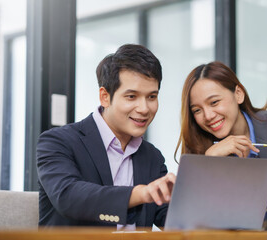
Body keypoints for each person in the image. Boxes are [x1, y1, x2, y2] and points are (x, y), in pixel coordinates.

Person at [37, 44, 176, 229]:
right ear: (105, 97)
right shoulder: (58, 142)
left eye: (151, 97)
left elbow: (172, 219)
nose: (144, 109)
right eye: (132, 96)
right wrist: (141, 193)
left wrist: (208, 161)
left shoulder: (152, 157)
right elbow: (68, 196)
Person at [175, 61, 267, 207]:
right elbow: (190, 210)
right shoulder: (197, 149)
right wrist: (209, 161)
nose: (208, 115)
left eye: (214, 102)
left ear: (238, 94)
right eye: (197, 110)